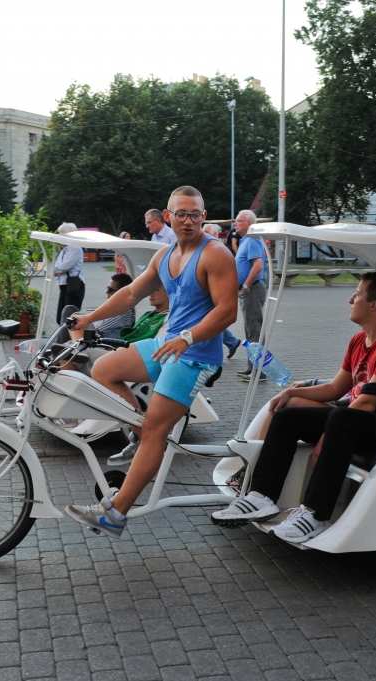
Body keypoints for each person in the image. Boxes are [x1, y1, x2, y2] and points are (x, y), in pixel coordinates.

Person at [65, 186, 238, 538]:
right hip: (166, 345)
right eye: (181, 214)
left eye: (194, 214)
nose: (188, 221)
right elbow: (130, 293)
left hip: (195, 355)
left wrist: (187, 337)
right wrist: (88, 319)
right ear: (168, 216)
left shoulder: (216, 254)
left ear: (204, 216)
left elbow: (228, 311)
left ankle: (114, 513)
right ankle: (142, 432)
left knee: (157, 431)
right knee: (103, 370)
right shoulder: (166, 255)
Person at [211, 272, 376, 543]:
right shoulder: (359, 341)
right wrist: (292, 391)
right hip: (354, 417)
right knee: (288, 417)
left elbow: (368, 403)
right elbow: (336, 389)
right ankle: (261, 496)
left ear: (374, 305)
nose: (351, 299)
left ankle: (315, 515)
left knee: (340, 419)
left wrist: (326, 436)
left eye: (357, 293)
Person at [233, 210, 268, 380]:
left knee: (254, 330)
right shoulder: (245, 241)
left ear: (249, 223)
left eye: (239, 221)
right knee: (250, 330)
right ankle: (252, 367)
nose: (235, 224)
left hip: (252, 289)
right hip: (248, 289)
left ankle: (258, 371)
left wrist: (246, 284)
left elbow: (258, 266)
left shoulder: (252, 240)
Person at [204, 224, 242, 358]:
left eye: (206, 231)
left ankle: (230, 342)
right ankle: (232, 342)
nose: (203, 233)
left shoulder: (218, 251)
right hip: (209, 291)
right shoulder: (208, 248)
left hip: (214, 293)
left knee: (213, 320)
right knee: (210, 319)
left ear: (214, 234)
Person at [53, 223, 85, 323]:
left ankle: (71, 338)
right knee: (60, 318)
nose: (60, 237)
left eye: (61, 234)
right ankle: (64, 337)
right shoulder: (64, 250)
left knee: (69, 318)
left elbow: (66, 265)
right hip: (63, 286)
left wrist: (59, 269)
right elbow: (56, 266)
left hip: (73, 286)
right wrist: (58, 269)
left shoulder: (76, 248)